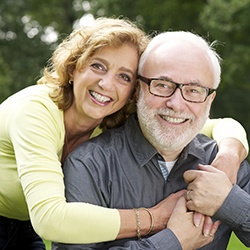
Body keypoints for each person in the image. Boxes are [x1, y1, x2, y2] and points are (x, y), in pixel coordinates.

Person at [0, 17, 247, 249]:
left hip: (23, 221)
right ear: (74, 68)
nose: (107, 84)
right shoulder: (34, 111)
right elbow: (50, 219)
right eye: (97, 66)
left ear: (134, 89)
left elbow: (202, 123)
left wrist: (229, 157)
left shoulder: (110, 115)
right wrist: (158, 222)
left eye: (123, 76)